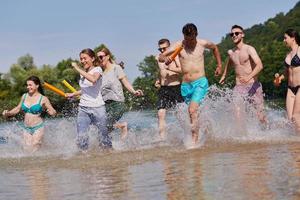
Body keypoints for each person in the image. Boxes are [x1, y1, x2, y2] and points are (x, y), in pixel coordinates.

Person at [159, 23, 222, 145]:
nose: (189, 42)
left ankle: (194, 143)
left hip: (200, 82)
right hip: (186, 85)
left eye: (191, 39)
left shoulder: (203, 44)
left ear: (196, 35)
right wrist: (165, 59)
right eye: (186, 39)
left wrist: (219, 65)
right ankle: (208, 133)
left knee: (192, 110)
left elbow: (215, 48)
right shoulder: (179, 45)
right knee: (193, 115)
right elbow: (160, 56)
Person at [219, 25, 267, 125]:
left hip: (253, 86)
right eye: (232, 34)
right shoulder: (231, 52)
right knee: (237, 113)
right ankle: (241, 137)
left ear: (242, 35)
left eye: (237, 33)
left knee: (260, 117)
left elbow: (260, 65)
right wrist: (224, 75)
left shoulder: (249, 49)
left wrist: (249, 77)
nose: (234, 35)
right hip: (239, 86)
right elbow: (229, 63)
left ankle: (268, 132)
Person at [67, 48, 112, 151]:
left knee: (103, 136)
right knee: (81, 136)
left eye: (85, 58)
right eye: (81, 59)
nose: (82, 61)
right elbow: (85, 89)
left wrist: (77, 68)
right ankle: (84, 158)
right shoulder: (83, 73)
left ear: (92, 58)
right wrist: (73, 94)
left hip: (98, 108)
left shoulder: (98, 70)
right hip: (83, 108)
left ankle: (110, 154)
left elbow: (93, 80)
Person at [96, 47, 143, 139]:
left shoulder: (116, 68)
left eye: (101, 57)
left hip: (117, 103)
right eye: (98, 58)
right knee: (101, 129)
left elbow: (125, 82)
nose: (99, 59)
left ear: (108, 56)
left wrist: (134, 91)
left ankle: (122, 126)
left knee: (106, 126)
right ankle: (110, 148)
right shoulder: (100, 73)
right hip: (105, 105)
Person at [2, 76, 56, 152]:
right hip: (26, 128)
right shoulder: (24, 96)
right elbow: (17, 108)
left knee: (35, 145)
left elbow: (53, 112)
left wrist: (51, 112)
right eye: (27, 85)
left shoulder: (43, 98)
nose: (28, 87)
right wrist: (8, 113)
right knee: (27, 149)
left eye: (30, 85)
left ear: (37, 85)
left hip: (38, 127)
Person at [155, 38, 183, 139]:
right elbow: (160, 72)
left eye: (164, 48)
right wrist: (158, 80)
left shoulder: (175, 56)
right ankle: (162, 139)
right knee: (160, 113)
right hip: (163, 89)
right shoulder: (158, 58)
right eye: (160, 49)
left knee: (180, 115)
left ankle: (187, 134)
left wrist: (170, 68)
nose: (162, 51)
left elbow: (182, 70)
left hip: (175, 87)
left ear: (169, 47)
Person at [276, 29, 300, 133]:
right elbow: (287, 72)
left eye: (285, 38)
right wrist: (279, 79)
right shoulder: (288, 54)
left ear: (293, 38)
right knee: (290, 120)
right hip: (290, 89)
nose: (284, 40)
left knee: (295, 116)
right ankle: (295, 146)